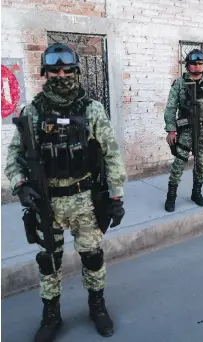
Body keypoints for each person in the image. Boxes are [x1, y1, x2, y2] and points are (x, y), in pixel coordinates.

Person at [4, 43, 126, 342]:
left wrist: (116, 196)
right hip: (47, 203)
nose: (62, 75)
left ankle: (97, 307)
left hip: (84, 199)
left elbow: (111, 154)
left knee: (93, 256)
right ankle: (51, 315)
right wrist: (20, 185)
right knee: (48, 262)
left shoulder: (92, 109)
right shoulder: (32, 112)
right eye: (55, 70)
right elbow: (13, 156)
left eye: (67, 69)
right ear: (45, 72)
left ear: (76, 71)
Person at [163, 49, 203, 212]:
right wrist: (171, 130)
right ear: (188, 65)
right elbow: (171, 107)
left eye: (200, 63)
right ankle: (171, 197)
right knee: (178, 164)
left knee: (201, 165)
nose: (197, 67)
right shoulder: (179, 83)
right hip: (186, 130)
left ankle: (196, 193)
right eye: (193, 64)